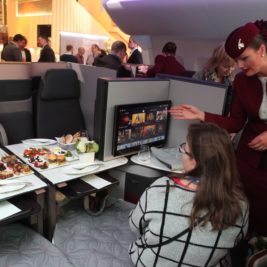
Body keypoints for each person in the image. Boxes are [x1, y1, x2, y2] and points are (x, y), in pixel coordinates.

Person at [169, 20, 267, 237]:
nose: (239, 66)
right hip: (248, 160)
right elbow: (235, 123)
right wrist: (201, 115)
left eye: (244, 58)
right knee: (245, 218)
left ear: (261, 50)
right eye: (237, 61)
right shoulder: (242, 82)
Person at [129, 123, 248, 267]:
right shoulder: (241, 205)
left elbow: (135, 226)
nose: (181, 155)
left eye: (184, 150)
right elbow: (236, 241)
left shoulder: (161, 188)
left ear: (194, 162)